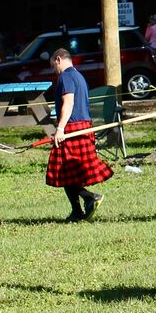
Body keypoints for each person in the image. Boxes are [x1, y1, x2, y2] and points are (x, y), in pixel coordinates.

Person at [46, 48, 112, 222]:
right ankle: (77, 211)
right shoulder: (79, 76)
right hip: (84, 125)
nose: (54, 70)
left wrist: (60, 129)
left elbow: (68, 102)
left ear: (58, 59)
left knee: (63, 170)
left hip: (72, 127)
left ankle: (89, 198)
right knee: (69, 171)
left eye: (53, 65)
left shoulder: (66, 76)